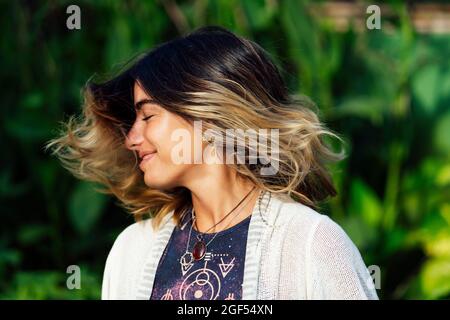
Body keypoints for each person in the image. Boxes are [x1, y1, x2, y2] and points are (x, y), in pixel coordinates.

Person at [47, 26, 378, 300]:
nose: (132, 139)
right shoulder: (132, 250)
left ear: (205, 117)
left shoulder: (310, 243)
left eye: (147, 116)